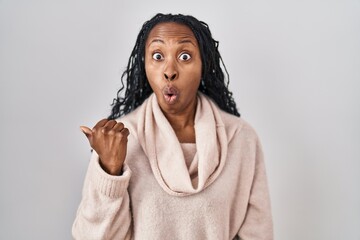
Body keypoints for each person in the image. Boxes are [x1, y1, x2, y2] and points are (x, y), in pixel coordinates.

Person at [72, 13, 273, 240]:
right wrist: (110, 171)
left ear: (203, 64)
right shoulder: (122, 140)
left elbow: (258, 234)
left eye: (185, 56)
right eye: (157, 56)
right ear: (144, 64)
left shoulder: (241, 139)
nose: (169, 71)